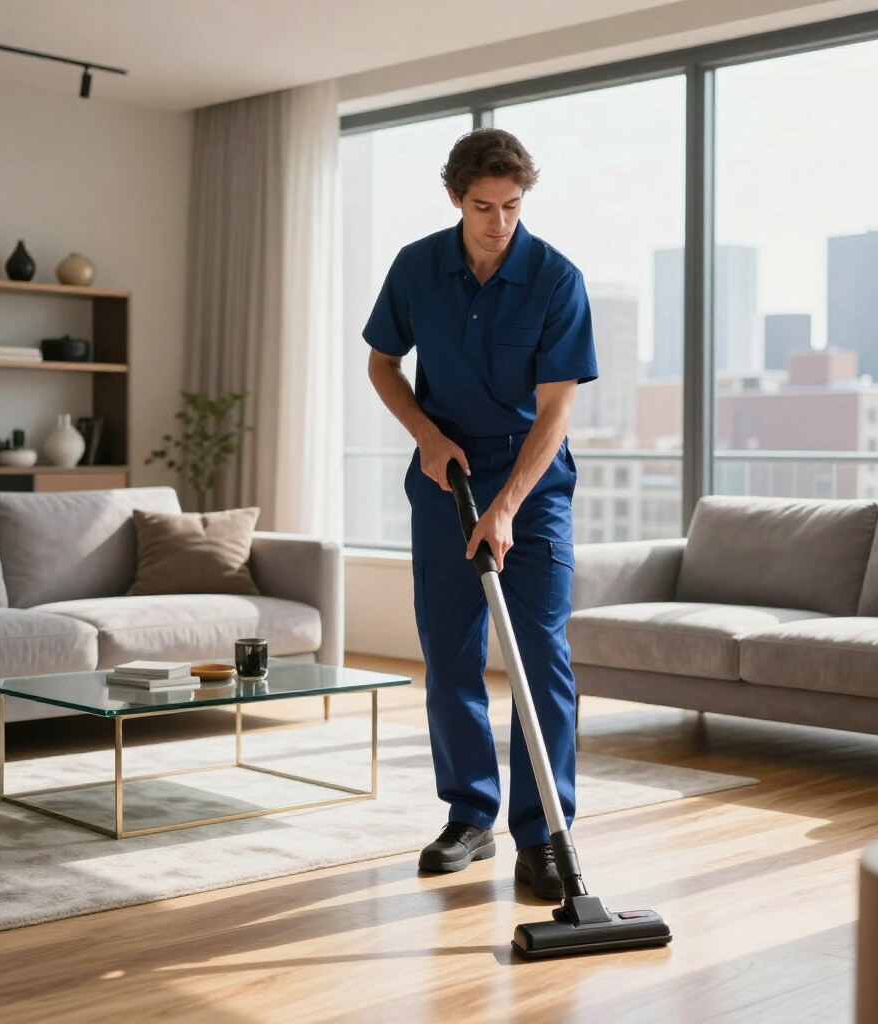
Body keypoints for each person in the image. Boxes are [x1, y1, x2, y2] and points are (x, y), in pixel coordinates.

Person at [363, 128, 597, 900]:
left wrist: (507, 505)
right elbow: (382, 364)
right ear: (456, 199)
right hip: (442, 473)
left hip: (530, 477)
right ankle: (470, 815)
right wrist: (426, 436)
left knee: (541, 659)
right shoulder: (416, 267)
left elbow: (557, 407)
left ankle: (544, 836)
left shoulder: (556, 277)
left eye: (512, 205)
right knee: (452, 653)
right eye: (483, 206)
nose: (499, 222)